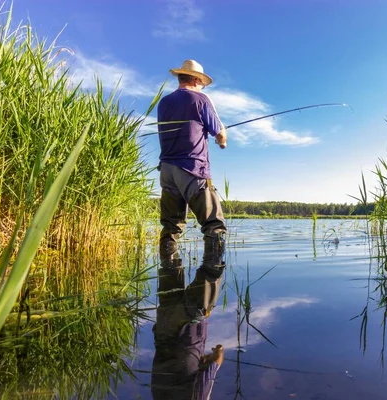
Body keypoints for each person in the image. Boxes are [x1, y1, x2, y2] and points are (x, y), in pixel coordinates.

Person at [157, 59, 227, 256]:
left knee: (170, 227)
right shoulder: (200, 99)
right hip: (192, 169)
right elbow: (219, 133)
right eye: (202, 83)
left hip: (167, 170)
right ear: (196, 80)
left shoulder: (164, 102)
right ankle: (212, 272)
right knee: (214, 224)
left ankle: (168, 272)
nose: (203, 87)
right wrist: (223, 141)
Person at [151, 244, 226, 399]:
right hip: (165, 320)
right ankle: (172, 220)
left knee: (212, 269)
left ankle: (213, 226)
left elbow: (215, 362)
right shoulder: (158, 396)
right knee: (169, 262)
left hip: (190, 324)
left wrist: (217, 353)